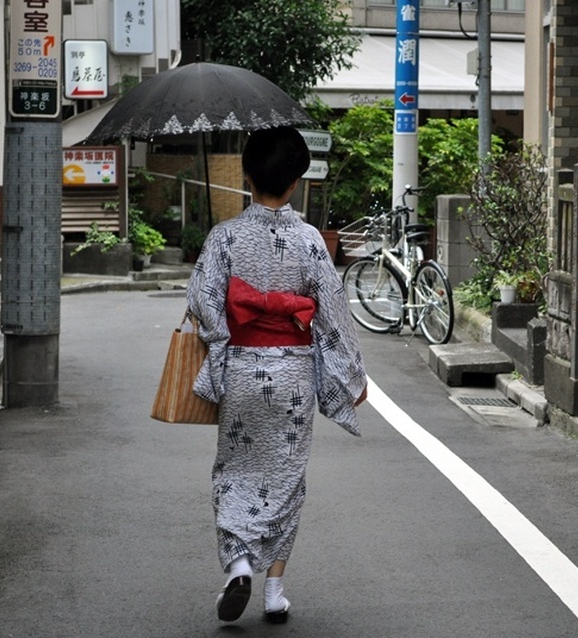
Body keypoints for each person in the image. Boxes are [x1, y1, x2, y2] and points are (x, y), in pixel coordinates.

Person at [187, 126, 368, 624]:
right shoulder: (310, 240)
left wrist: (224, 337)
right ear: (294, 183)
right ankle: (274, 592)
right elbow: (332, 314)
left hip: (243, 371)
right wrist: (353, 377)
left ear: (247, 176)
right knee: (287, 479)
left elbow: (202, 303)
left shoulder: (223, 237)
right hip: (292, 376)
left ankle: (239, 563)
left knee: (233, 472)